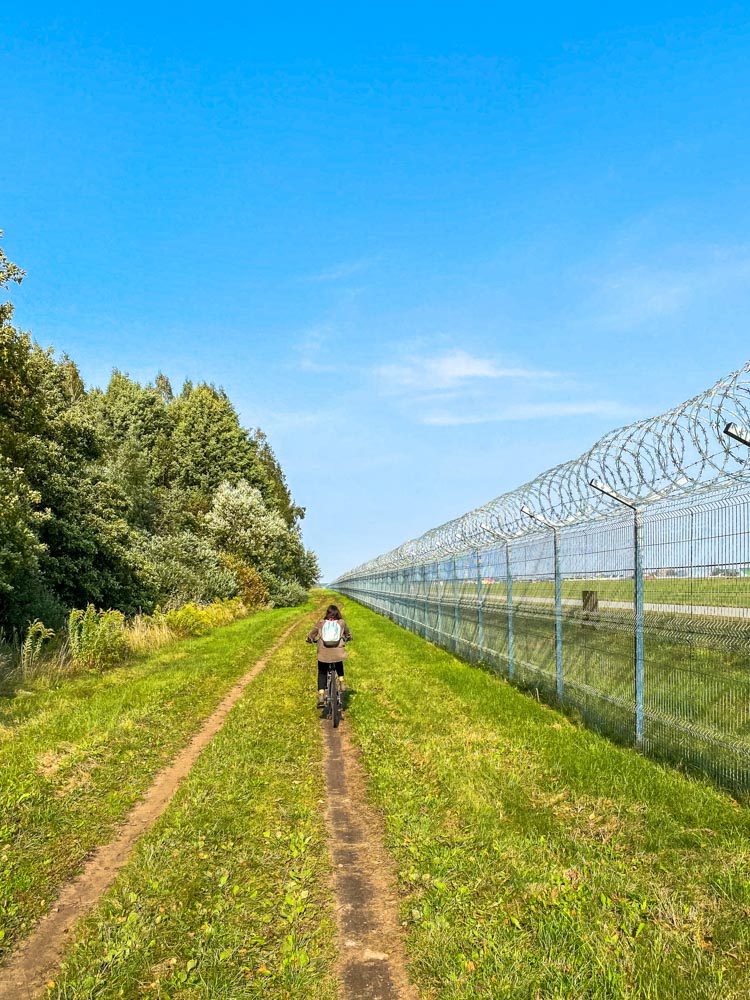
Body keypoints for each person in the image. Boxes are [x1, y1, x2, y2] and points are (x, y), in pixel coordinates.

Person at [306, 604, 352, 708]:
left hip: (323, 652)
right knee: (338, 661)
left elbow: (312, 634)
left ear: (327, 613)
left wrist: (310, 639)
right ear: (338, 613)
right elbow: (348, 634)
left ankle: (321, 695)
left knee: (322, 671)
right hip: (337, 651)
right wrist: (348, 638)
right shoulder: (341, 623)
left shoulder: (321, 623)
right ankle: (341, 681)